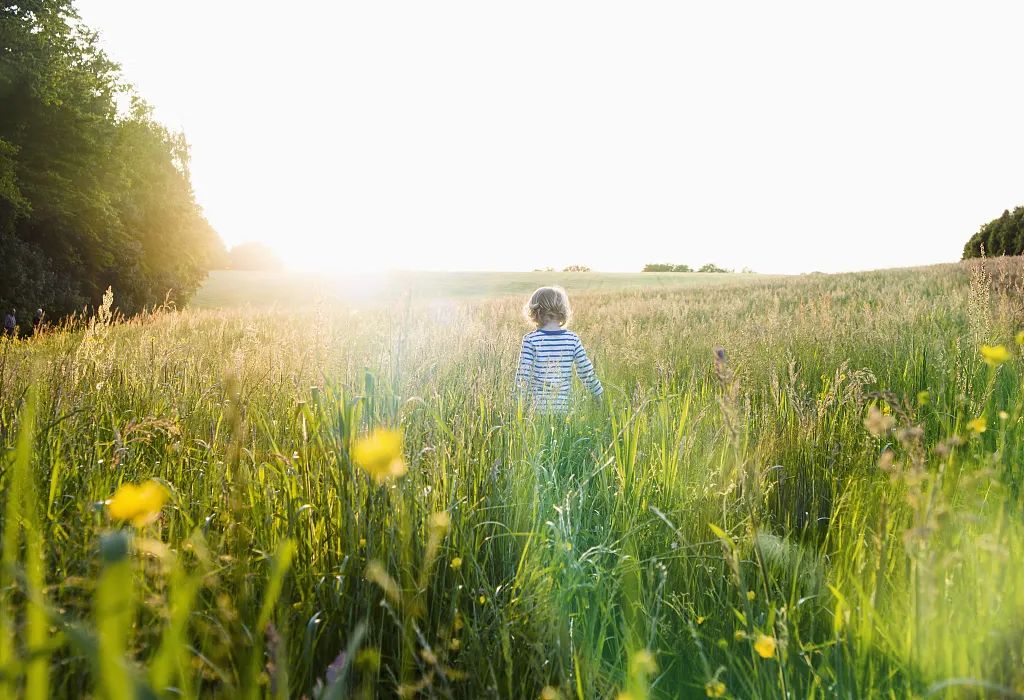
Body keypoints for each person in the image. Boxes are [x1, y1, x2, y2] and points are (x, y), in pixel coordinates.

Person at [515, 286, 603, 412]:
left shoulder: (530, 340)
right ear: (562, 312)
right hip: (564, 410)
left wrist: (517, 408)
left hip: (538, 411)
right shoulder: (572, 339)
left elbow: (522, 378)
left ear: (535, 312)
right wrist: (598, 395)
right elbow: (586, 371)